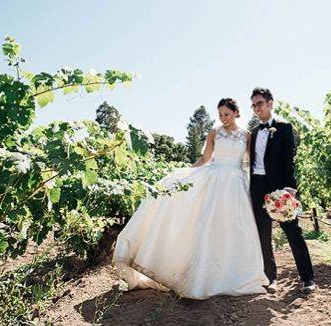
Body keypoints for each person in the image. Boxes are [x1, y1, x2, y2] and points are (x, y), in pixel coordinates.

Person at [112, 98, 268, 300]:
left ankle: (237, 274)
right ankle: (203, 276)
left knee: (236, 227)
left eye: (226, 114)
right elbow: (205, 159)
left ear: (236, 112)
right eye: (220, 114)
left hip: (236, 184)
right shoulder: (214, 133)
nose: (223, 118)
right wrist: (184, 176)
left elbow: (252, 161)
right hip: (216, 182)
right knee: (209, 226)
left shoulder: (246, 135)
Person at [249, 87, 315, 292]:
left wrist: (290, 189)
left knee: (292, 231)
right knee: (262, 234)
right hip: (257, 186)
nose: (255, 108)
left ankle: (308, 279)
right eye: (253, 105)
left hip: (279, 187)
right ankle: (271, 278)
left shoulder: (284, 128)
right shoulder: (252, 133)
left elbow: (289, 161)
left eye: (259, 103)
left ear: (270, 103)